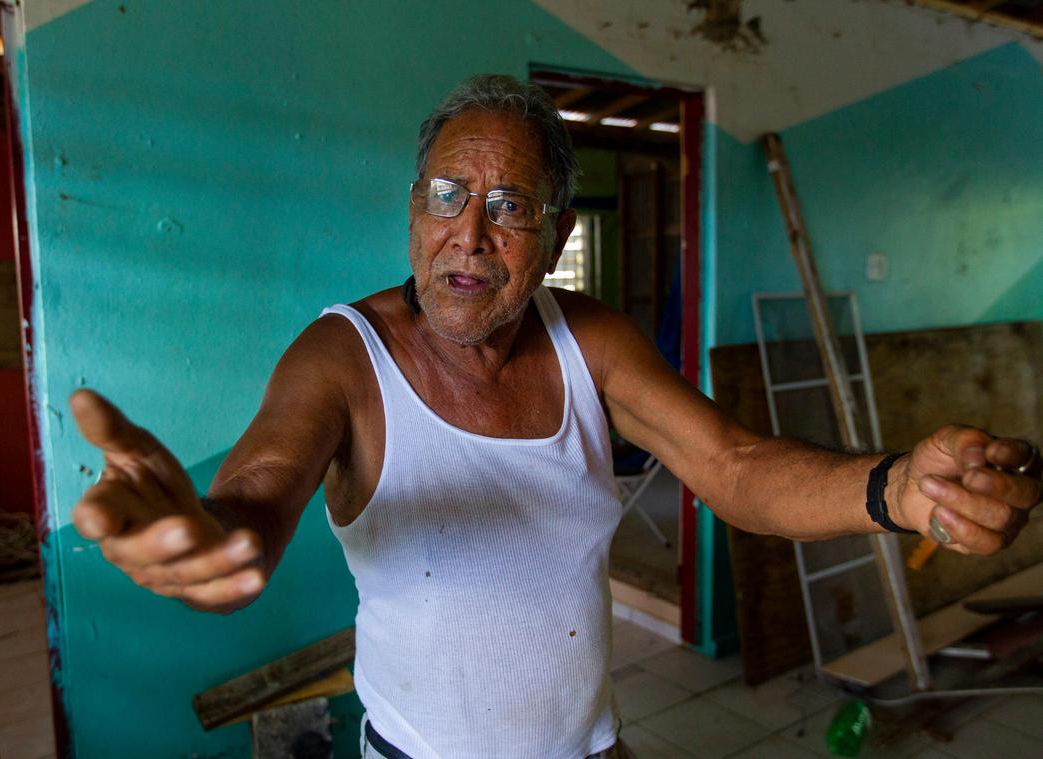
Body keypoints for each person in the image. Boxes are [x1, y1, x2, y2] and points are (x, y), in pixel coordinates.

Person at [69, 75, 1041, 758]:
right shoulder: (344, 358)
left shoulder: (591, 340)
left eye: (511, 205)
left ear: (556, 237)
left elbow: (736, 465)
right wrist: (209, 533)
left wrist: (896, 487)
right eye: (447, 195)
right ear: (413, 208)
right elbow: (258, 492)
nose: (470, 233)